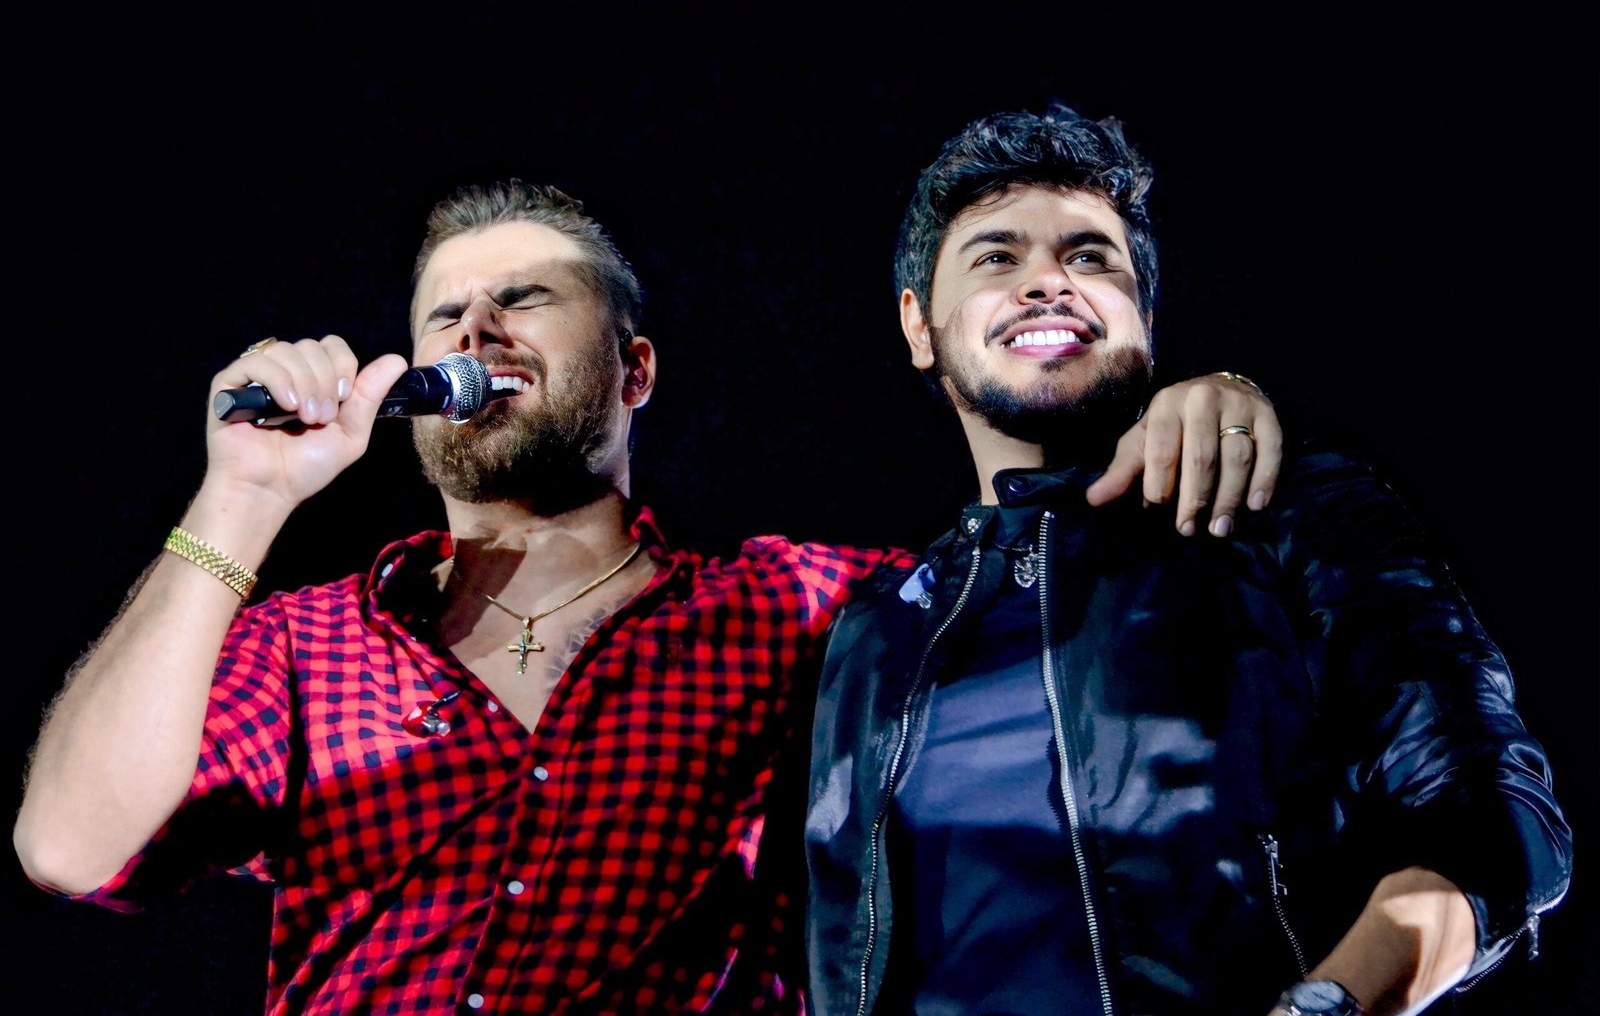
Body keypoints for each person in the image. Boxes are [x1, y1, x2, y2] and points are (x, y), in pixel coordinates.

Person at [12, 178, 1285, 1014]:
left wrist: (1198, 399)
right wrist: (240, 494)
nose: (476, 330)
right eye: (445, 314)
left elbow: (1062, 605)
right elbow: (72, 847)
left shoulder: (795, 607)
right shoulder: (306, 641)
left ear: (635, 370)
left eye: (524, 298)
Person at [803, 102, 1575, 1016]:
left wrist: (1324, 1007)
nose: (1048, 283)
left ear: (1144, 316)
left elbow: (1493, 827)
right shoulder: (866, 632)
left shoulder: (1285, 514)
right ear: (919, 326)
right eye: (997, 258)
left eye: (1091, 257)